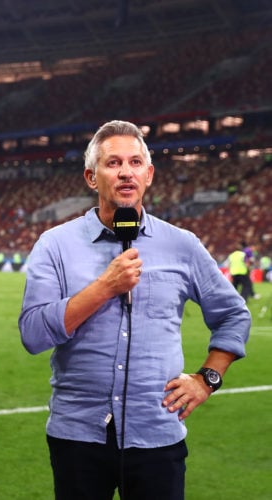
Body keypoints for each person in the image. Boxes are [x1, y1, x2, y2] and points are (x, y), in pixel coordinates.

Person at [18, 120, 250, 500]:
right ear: (92, 177)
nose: (126, 171)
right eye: (113, 163)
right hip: (77, 436)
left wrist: (207, 379)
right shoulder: (54, 245)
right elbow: (32, 334)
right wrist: (104, 287)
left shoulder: (182, 245)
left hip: (157, 434)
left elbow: (233, 314)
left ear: (149, 174)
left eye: (135, 162)